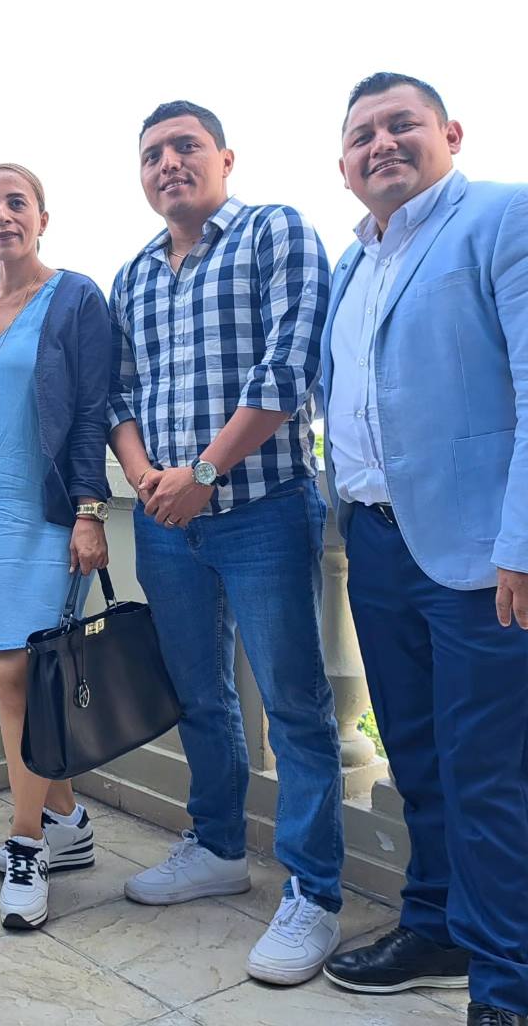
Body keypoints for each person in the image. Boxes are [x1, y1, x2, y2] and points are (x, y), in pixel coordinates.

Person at [319, 73, 528, 1026]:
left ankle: (499, 988)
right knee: (416, 758)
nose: (381, 144)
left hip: (489, 559)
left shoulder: (514, 215)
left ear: (452, 134)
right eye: (362, 135)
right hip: (378, 547)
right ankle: (432, 927)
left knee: (492, 774)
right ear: (344, 166)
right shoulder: (353, 265)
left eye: (402, 124)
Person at [107, 100, 343, 985]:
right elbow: (118, 394)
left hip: (262, 509)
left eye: (186, 146)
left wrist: (203, 472)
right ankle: (216, 848)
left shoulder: (274, 233)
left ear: (225, 158)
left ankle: (314, 892)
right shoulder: (133, 275)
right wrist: (146, 479)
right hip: (166, 523)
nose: (169, 163)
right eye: (153, 153)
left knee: (294, 704)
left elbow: (289, 367)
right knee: (199, 695)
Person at [0, 163, 112, 929]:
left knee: (17, 672)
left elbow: (92, 410)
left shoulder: (76, 297)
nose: (2, 215)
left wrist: (89, 511)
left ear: (43, 217)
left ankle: (26, 844)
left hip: (45, 514)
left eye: (17, 202)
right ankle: (67, 822)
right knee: (22, 678)